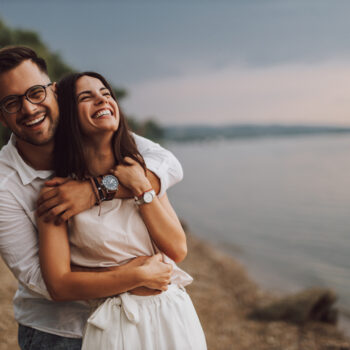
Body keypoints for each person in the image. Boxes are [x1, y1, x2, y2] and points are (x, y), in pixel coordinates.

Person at [0, 46, 184, 349]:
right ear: (2, 117)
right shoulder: (6, 186)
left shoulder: (95, 133)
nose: (29, 109)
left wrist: (97, 190)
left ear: (55, 91)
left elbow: (166, 166)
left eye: (35, 92)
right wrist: (136, 275)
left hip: (135, 320)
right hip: (59, 332)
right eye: (11, 102)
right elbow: (42, 280)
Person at [37, 71, 206, 350]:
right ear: (67, 113)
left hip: (172, 312)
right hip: (116, 324)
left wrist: (141, 188)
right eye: (86, 97)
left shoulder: (141, 172)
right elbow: (59, 285)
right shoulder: (59, 193)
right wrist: (136, 276)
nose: (102, 100)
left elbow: (177, 249)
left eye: (106, 93)